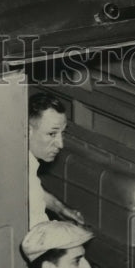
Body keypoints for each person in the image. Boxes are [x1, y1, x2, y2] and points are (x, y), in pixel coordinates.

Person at [29, 93, 85, 226]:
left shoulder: (25, 158)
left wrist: (60, 208)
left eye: (62, 133)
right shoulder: (16, 168)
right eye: (52, 134)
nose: (60, 144)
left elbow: (32, 191)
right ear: (27, 131)